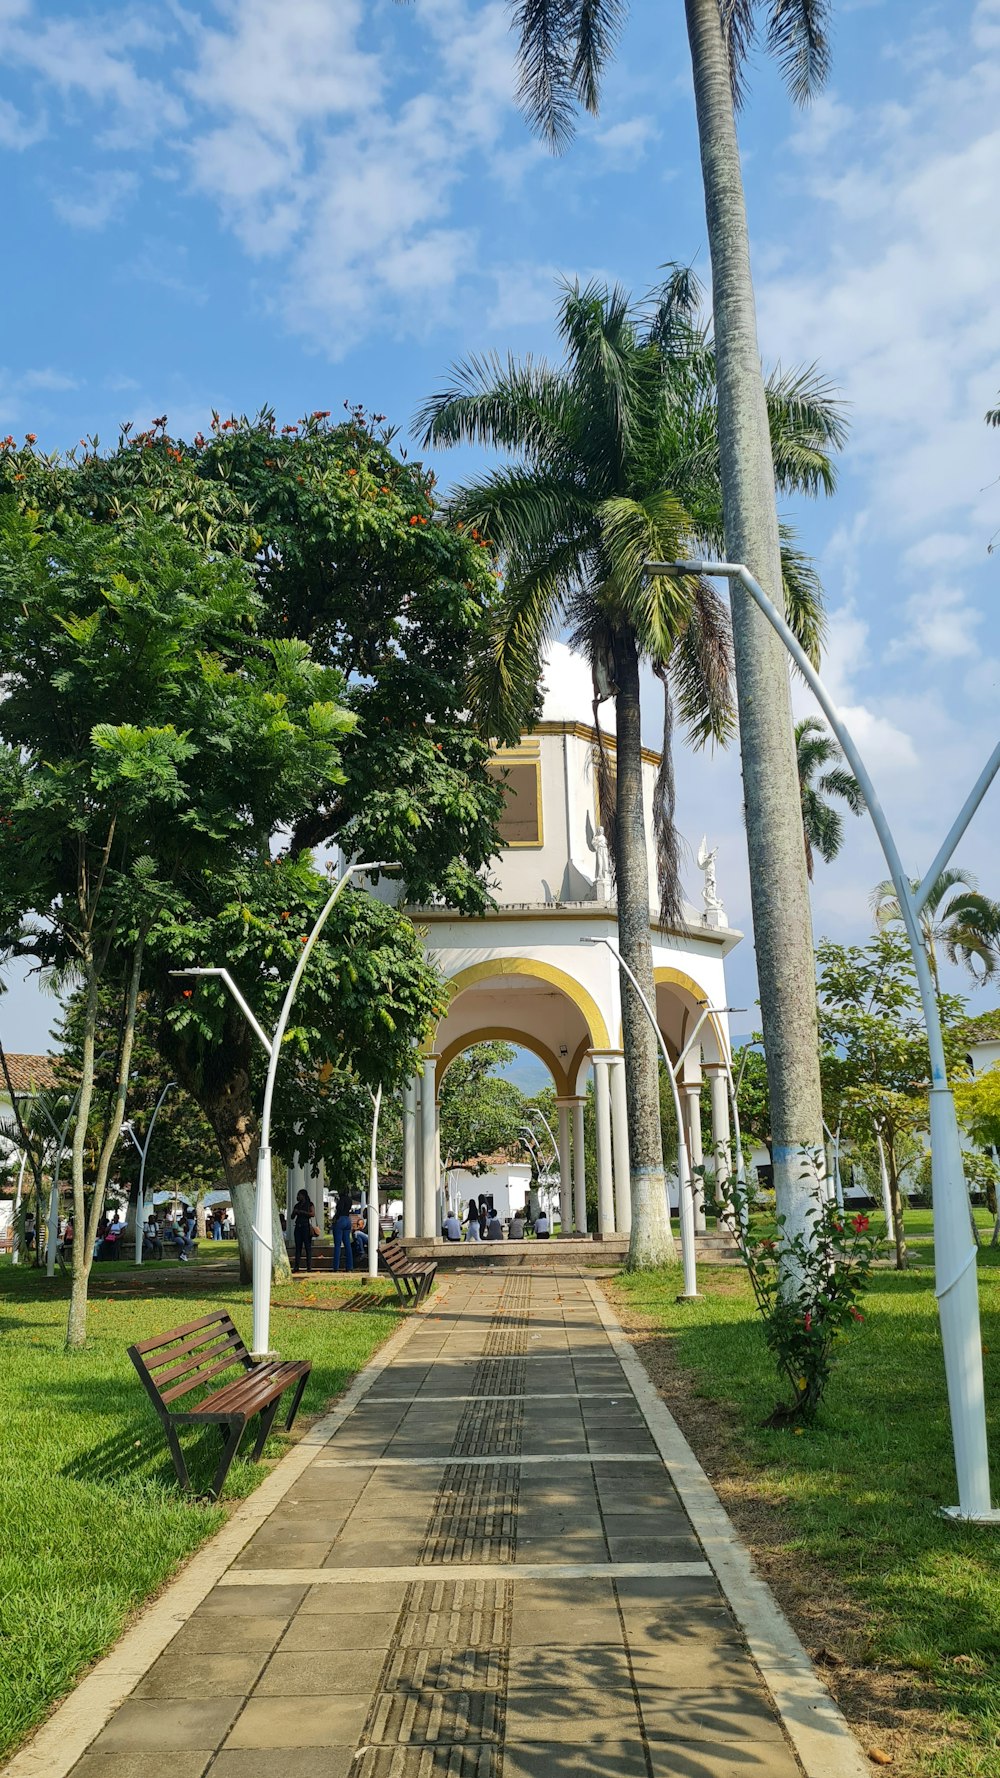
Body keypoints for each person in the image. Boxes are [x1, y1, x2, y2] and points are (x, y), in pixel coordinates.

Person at [291, 1188, 317, 1273]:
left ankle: (309, 1266)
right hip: (298, 1227)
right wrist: (295, 1212)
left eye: (299, 1195)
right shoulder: (297, 1205)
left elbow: (312, 1214)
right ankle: (296, 1266)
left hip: (305, 1227)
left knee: (307, 1247)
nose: (298, 1196)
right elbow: (292, 1217)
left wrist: (301, 1212)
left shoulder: (309, 1204)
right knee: (298, 1247)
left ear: (303, 1196)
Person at [332, 1188, 354, 1273]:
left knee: (337, 1244)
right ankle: (349, 1266)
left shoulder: (341, 1200)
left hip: (340, 1219)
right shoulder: (349, 1200)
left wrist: (336, 1218)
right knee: (347, 1244)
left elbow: (339, 1209)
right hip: (347, 1219)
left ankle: (336, 1267)